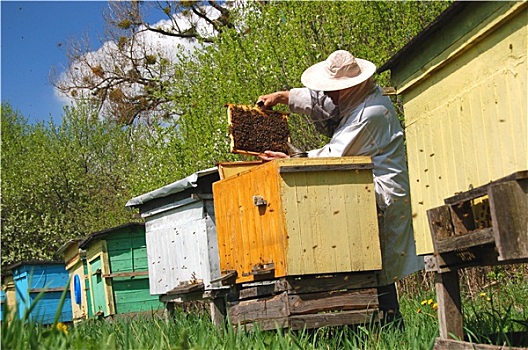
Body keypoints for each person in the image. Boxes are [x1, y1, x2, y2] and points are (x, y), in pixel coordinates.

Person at [257, 50, 424, 328]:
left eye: (336, 89)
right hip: (361, 191)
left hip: (380, 194)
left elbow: (335, 156)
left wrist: (292, 159)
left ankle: (391, 328)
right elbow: (324, 104)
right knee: (366, 264)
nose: (331, 94)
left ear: (352, 85)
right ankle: (376, 328)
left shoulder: (371, 113)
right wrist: (284, 96)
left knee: (376, 268)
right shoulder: (359, 98)